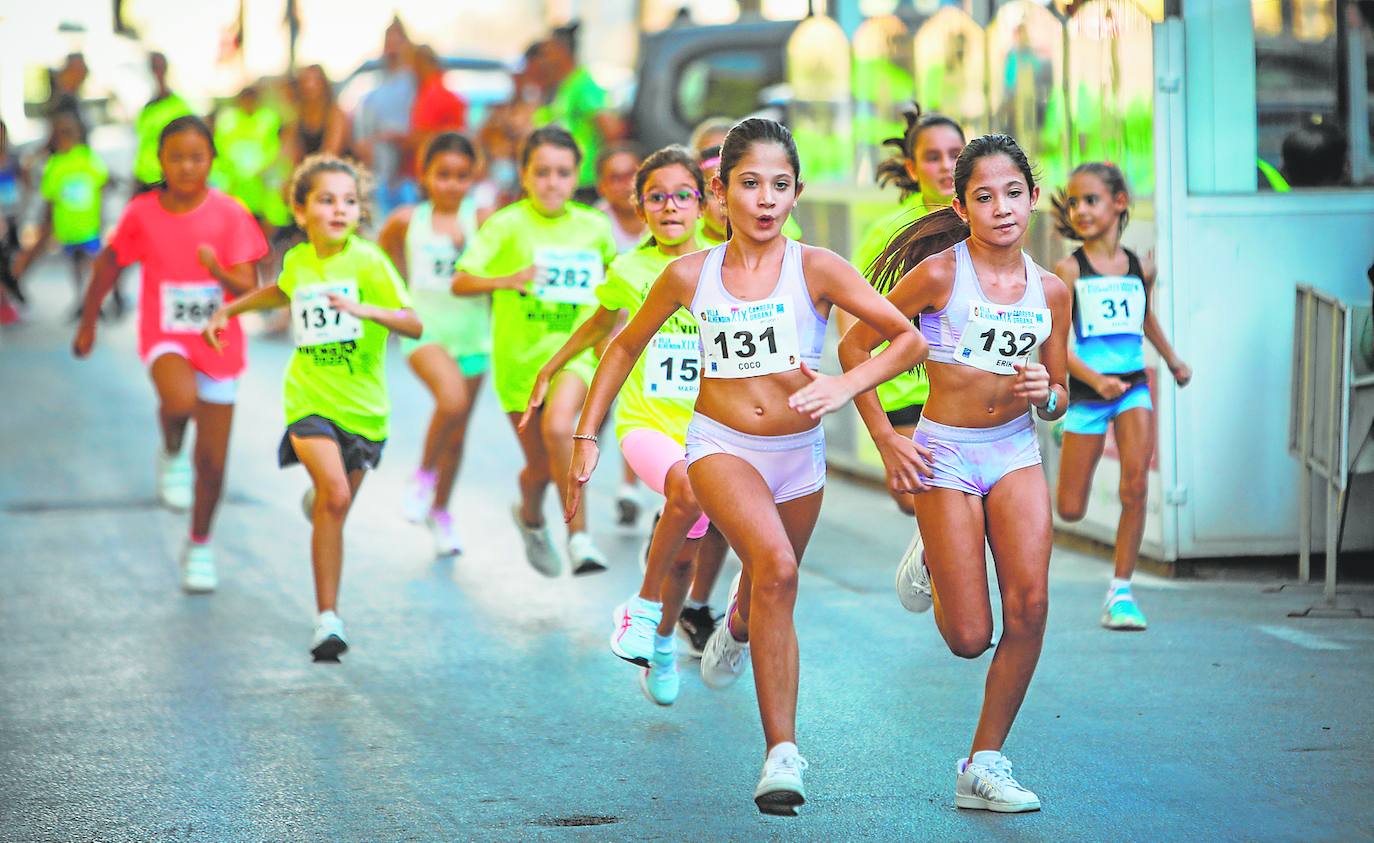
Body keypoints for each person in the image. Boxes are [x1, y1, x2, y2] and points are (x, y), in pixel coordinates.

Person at [566, 118, 924, 814]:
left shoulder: (817, 267)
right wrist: (587, 432)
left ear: (796, 194)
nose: (765, 199)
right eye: (750, 183)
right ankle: (781, 754)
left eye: (780, 185)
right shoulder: (687, 274)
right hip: (721, 445)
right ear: (720, 192)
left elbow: (905, 339)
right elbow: (623, 346)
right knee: (780, 570)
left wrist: (843, 386)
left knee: (765, 586)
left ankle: (733, 627)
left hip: (799, 457)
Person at [840, 134, 1071, 813]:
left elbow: (1060, 395)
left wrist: (1048, 393)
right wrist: (887, 439)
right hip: (945, 453)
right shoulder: (940, 275)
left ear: (1033, 197)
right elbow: (855, 346)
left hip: (1015, 451)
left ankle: (983, 763)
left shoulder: (1052, 290)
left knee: (1030, 608)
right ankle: (936, 557)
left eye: (1014, 193)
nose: (1002, 208)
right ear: (961, 207)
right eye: (984, 197)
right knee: (969, 638)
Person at [202, 155, 421, 660]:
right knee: (337, 495)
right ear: (301, 212)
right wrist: (230, 309)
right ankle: (328, 621)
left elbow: (413, 324)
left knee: (332, 506)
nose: (340, 209)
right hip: (308, 399)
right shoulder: (299, 261)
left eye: (349, 201)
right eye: (326, 200)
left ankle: (319, 501)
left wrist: (366, 309)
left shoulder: (369, 262)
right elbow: (280, 292)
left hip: (365, 411)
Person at [524, 145, 711, 704]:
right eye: (656, 197)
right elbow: (599, 325)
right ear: (640, 206)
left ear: (703, 204)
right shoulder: (628, 269)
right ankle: (642, 607)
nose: (670, 207)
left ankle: (662, 643)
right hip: (646, 423)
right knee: (687, 489)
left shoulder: (724, 265)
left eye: (682, 195)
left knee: (686, 553)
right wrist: (551, 368)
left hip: (707, 428)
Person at [71, 116, 267, 592]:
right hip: (165, 335)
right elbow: (109, 265)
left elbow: (251, 286)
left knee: (213, 464)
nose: (186, 167)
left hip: (219, 342)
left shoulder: (230, 214)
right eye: (175, 157)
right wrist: (89, 321)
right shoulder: (142, 213)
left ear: (212, 160)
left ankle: (199, 544)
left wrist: (217, 269)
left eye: (196, 157)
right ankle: (172, 449)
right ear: (159, 160)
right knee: (179, 401)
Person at [451, 126, 617, 577]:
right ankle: (529, 517)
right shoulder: (505, 225)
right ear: (524, 175)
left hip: (575, 354)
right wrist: (509, 279)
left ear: (576, 176)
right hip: (519, 363)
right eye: (541, 172)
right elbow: (461, 280)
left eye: (562, 173)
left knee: (560, 427)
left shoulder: (595, 227)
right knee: (541, 468)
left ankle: (579, 538)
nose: (552, 182)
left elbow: (613, 286)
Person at [1050, 162, 1191, 630]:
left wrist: (1172, 360)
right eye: (1074, 203)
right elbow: (1054, 346)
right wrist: (1095, 379)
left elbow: (1145, 318)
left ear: (1119, 203)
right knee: (1070, 510)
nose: (1080, 210)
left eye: (1090, 200)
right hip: (1089, 390)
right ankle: (1064, 432)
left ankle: (1121, 593)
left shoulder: (1139, 267)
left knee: (1136, 486)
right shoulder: (1069, 270)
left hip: (1132, 386)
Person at [845, 103, 965, 517]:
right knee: (920, 498)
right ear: (912, 169)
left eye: (955, 154)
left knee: (961, 506)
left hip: (968, 386)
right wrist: (866, 385)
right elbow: (852, 317)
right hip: (905, 390)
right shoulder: (888, 231)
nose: (946, 166)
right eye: (933, 157)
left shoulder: (986, 223)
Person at [377, 133, 487, 556]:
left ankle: (440, 513)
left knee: (456, 434)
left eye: (461, 176)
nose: (452, 185)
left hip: (473, 336)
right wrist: (400, 300)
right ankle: (422, 476)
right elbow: (382, 259)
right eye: (443, 175)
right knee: (451, 399)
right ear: (424, 175)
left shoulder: (482, 219)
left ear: (473, 177)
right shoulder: (406, 220)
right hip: (425, 332)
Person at [14, 112, 113, 319]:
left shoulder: (86, 157)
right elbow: (49, 196)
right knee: (75, 264)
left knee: (92, 263)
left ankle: (95, 300)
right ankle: (82, 300)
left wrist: (101, 214)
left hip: (88, 225)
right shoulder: (55, 164)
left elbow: (102, 182)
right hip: (68, 227)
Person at [532, 23, 621, 200]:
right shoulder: (562, 86)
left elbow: (611, 130)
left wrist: (607, 173)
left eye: (547, 53)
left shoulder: (584, 84)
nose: (543, 60)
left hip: (585, 184)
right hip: (562, 180)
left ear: (561, 51)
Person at [353, 18, 418, 219]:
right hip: (377, 170)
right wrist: (364, 143)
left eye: (397, 42)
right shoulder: (374, 79)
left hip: (405, 171)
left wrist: (392, 137)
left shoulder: (413, 80)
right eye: (388, 41)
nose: (392, 48)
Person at [211, 84, 282, 225]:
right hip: (235, 187)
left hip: (262, 187)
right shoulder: (228, 121)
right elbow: (221, 152)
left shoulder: (268, 119)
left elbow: (275, 149)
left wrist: (264, 169)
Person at [133, 53, 193, 191]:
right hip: (145, 181)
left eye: (159, 68)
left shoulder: (179, 107)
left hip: (168, 181)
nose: (156, 73)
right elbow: (143, 146)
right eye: (153, 68)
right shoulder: (147, 109)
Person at [410, 45, 468, 164]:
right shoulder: (439, 91)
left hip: (438, 163)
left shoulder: (432, 94)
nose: (412, 71)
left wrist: (399, 140)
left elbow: (422, 137)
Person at [283, 65, 349, 164]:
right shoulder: (298, 115)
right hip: (309, 168)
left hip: (333, 168)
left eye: (314, 81)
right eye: (306, 81)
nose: (309, 86)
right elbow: (291, 151)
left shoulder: (334, 113)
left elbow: (331, 153)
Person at [0, 118, 30, 310]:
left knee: (14, 253)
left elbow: (26, 182)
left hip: (13, 213)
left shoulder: (13, 157)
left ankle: (13, 288)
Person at [594, 145, 645, 252]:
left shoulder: (666, 212)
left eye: (632, 175)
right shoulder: (593, 222)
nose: (627, 186)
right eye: (616, 178)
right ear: (601, 187)